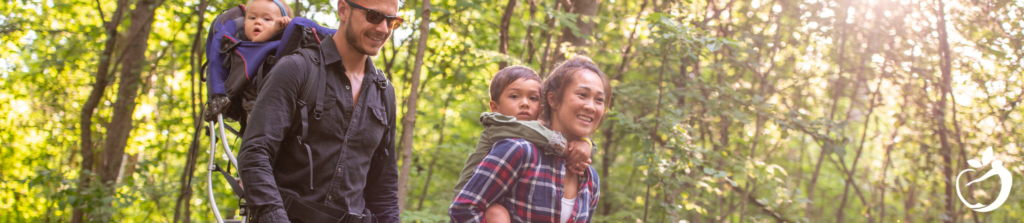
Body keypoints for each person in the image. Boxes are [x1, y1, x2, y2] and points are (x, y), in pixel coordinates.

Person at [237, 0, 404, 222]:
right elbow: (255, 155)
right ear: (343, 9)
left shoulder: (385, 93)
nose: (383, 29)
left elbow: (384, 188)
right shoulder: (296, 69)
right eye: (373, 16)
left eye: (392, 21)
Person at [451, 56, 610, 222]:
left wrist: (587, 144)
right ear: (553, 99)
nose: (591, 106)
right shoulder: (518, 150)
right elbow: (464, 209)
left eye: (599, 99)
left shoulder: (590, 178)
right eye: (582, 95)